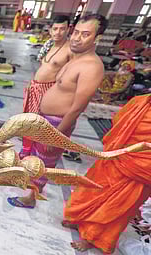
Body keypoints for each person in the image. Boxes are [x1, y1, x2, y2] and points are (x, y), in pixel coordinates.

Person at [8, 14, 108, 209]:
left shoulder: (92, 67)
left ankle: (31, 198)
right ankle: (28, 184)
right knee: (37, 157)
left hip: (57, 123)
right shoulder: (75, 58)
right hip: (46, 119)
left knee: (45, 162)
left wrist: (56, 136)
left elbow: (78, 107)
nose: (77, 38)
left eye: (85, 34)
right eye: (76, 32)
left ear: (97, 38)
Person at [62, 94, 151, 253]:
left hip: (142, 166)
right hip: (118, 153)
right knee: (93, 189)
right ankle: (79, 220)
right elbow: (119, 120)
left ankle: (93, 238)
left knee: (118, 205)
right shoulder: (141, 101)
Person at [19, 15, 73, 159]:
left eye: (62, 29)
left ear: (68, 29)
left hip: (48, 91)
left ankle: (35, 156)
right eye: (55, 29)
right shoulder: (49, 45)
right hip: (35, 88)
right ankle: (26, 149)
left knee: (40, 123)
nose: (58, 32)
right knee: (29, 120)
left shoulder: (69, 50)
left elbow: (71, 75)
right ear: (50, 30)